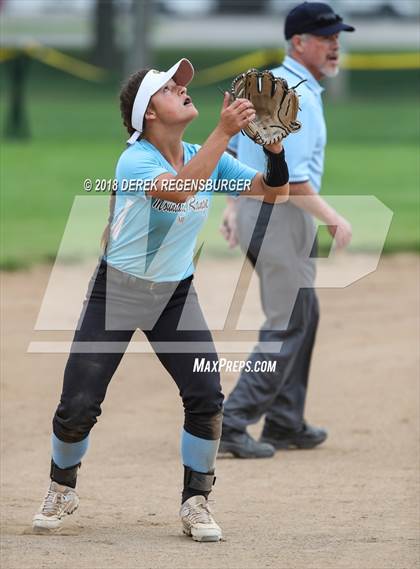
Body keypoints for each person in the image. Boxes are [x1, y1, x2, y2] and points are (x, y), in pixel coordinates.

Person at [32, 58, 290, 541]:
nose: (183, 90)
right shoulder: (135, 159)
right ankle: (61, 486)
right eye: (170, 89)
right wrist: (222, 133)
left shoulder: (200, 151)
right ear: (148, 114)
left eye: (181, 85)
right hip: (119, 292)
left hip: (175, 295)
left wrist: (273, 153)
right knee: (79, 405)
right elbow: (176, 192)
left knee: (206, 396)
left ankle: (196, 500)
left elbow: (270, 192)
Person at [219, 2, 354, 459]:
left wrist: (233, 203)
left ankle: (284, 419)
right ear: (299, 42)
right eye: (326, 36)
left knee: (304, 313)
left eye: (337, 36)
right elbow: (293, 180)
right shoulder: (293, 91)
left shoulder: (276, 84)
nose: (336, 44)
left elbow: (238, 143)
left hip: (270, 214)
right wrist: (332, 216)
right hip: (279, 214)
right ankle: (232, 422)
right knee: (289, 319)